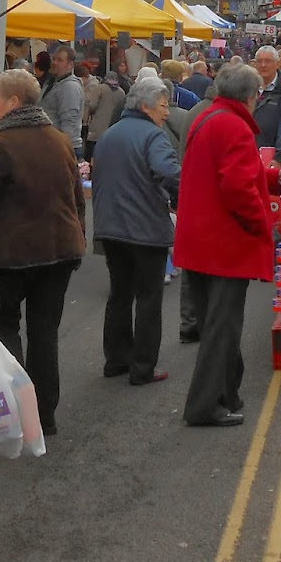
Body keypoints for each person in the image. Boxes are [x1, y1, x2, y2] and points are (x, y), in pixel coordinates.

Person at [176, 63, 281, 427]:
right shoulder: (235, 126)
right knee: (221, 328)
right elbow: (237, 187)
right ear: (251, 96)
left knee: (218, 325)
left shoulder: (209, 117)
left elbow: (237, 173)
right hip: (224, 243)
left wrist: (277, 177)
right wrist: (264, 227)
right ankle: (204, 406)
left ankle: (228, 394)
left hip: (200, 239)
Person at [0, 69, 84, 438]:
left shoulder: (1, 144)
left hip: (13, 253)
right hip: (61, 249)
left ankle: (18, 411)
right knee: (44, 333)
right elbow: (77, 198)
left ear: (14, 103)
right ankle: (45, 416)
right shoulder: (59, 139)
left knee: (6, 328)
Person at [92, 76, 182, 386]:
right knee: (148, 298)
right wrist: (179, 200)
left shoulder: (110, 134)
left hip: (110, 227)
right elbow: (170, 173)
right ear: (144, 106)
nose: (166, 112)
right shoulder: (153, 136)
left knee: (119, 294)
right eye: (163, 105)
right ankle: (142, 367)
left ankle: (116, 359)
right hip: (143, 227)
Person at [39, 43, 85, 155]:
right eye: (54, 59)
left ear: (70, 65)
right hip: (50, 144)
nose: (54, 63)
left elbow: (68, 121)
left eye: (60, 60)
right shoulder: (51, 83)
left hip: (63, 148)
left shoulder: (70, 86)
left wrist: (62, 148)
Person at [82, 66, 125, 164]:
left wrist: (88, 113)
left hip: (97, 127)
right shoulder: (121, 92)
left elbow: (92, 105)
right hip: (113, 129)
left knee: (92, 154)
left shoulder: (100, 88)